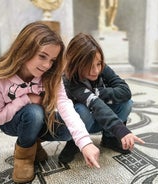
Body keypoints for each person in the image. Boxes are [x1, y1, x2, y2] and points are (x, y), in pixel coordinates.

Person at [0, 22, 100, 183]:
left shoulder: (50, 76)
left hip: (40, 119)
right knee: (34, 112)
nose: (47, 65)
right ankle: (23, 157)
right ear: (24, 49)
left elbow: (64, 105)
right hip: (12, 122)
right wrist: (26, 99)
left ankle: (33, 141)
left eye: (52, 60)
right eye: (42, 56)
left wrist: (85, 142)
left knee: (69, 128)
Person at [59, 33, 145, 163]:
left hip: (103, 119)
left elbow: (125, 91)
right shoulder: (68, 79)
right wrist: (121, 130)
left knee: (126, 102)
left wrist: (98, 92)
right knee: (82, 109)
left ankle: (109, 139)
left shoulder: (101, 67)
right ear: (76, 63)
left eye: (98, 64)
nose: (95, 71)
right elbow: (94, 103)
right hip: (83, 123)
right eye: (89, 66)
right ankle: (74, 142)